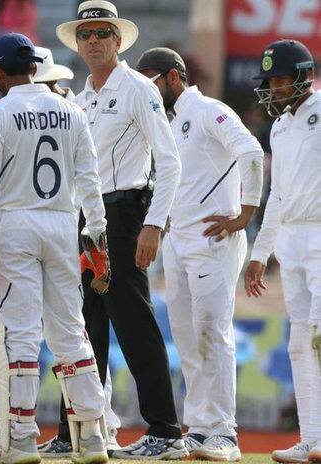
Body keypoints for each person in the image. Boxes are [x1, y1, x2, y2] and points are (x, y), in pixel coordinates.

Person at [0, 42, 122, 459]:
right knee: (71, 330)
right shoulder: (71, 111)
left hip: (13, 221)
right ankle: (91, 436)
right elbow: (91, 178)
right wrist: (97, 236)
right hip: (61, 222)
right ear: (35, 69)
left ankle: (19, 437)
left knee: (21, 333)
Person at [52, 1, 186, 458]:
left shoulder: (138, 88)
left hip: (125, 215)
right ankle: (84, 430)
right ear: (77, 42)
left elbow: (169, 162)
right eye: (85, 34)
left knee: (134, 325)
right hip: (87, 219)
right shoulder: (82, 96)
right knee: (83, 329)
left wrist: (153, 224)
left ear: (118, 40)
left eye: (101, 33)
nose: (93, 41)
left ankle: (166, 431)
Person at [136, 47, 264, 461]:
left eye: (152, 80)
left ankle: (225, 433)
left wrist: (245, 212)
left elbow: (250, 152)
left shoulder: (209, 110)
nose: (148, 91)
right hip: (177, 241)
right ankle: (200, 428)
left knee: (214, 332)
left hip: (214, 239)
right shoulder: (163, 124)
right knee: (188, 339)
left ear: (175, 77)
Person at [244, 39, 321, 464]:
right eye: (269, 81)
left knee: (320, 337)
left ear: (301, 76)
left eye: (279, 79)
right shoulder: (280, 127)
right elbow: (276, 195)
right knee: (298, 344)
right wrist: (260, 252)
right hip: (290, 238)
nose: (273, 88)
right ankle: (311, 440)